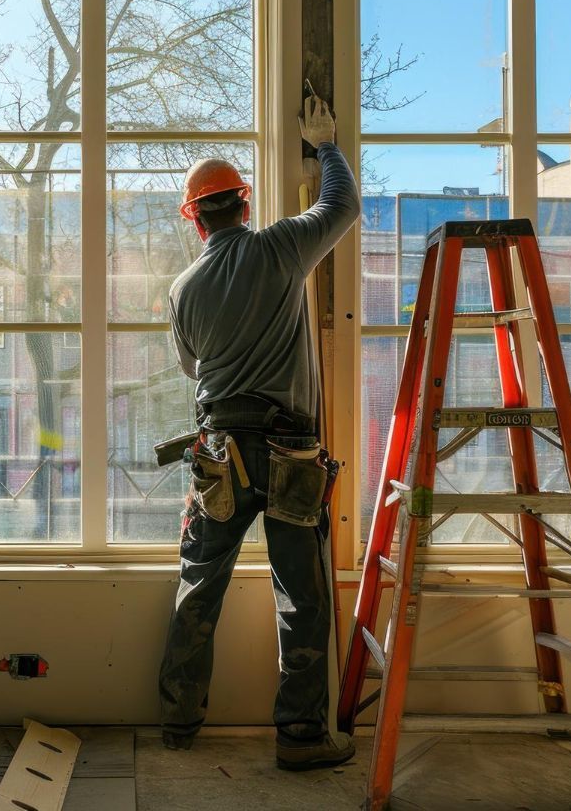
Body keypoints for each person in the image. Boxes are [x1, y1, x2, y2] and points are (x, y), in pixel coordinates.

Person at [157, 96, 361, 771]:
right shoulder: (280, 248)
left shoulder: (183, 289)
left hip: (219, 452)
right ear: (244, 205)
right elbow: (342, 207)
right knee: (300, 594)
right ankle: (301, 737)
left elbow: (192, 367)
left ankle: (180, 720)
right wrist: (325, 145)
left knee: (199, 583)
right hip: (287, 451)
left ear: (195, 220)